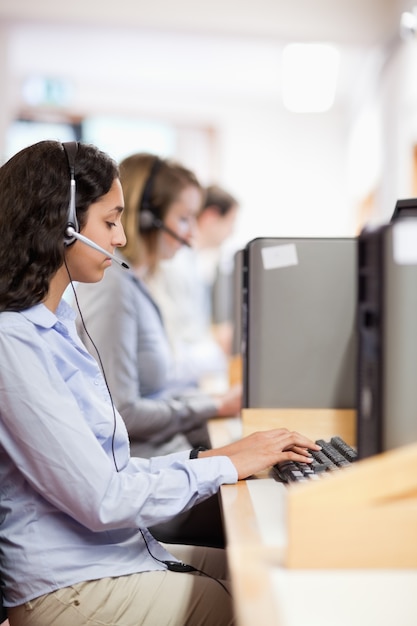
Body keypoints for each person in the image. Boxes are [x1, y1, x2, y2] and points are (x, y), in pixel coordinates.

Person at [0, 139, 320, 626]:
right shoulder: (14, 342)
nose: (121, 238)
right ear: (61, 223)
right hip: (72, 590)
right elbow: (105, 498)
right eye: (109, 221)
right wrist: (223, 467)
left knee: (283, 570)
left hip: (112, 558)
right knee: (278, 607)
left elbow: (113, 472)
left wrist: (222, 457)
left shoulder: (55, 326)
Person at [75, 154, 241, 461]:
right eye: (183, 218)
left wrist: (212, 403)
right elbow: (122, 411)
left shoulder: (135, 282)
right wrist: (214, 405)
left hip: (160, 453)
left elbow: (154, 392)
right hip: (141, 464)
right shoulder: (113, 286)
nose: (191, 232)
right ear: (148, 217)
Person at [146, 184, 240, 387]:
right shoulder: (175, 264)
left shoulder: (193, 264)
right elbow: (180, 345)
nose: (231, 233)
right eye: (231, 222)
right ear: (211, 216)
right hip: (175, 377)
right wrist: (220, 348)